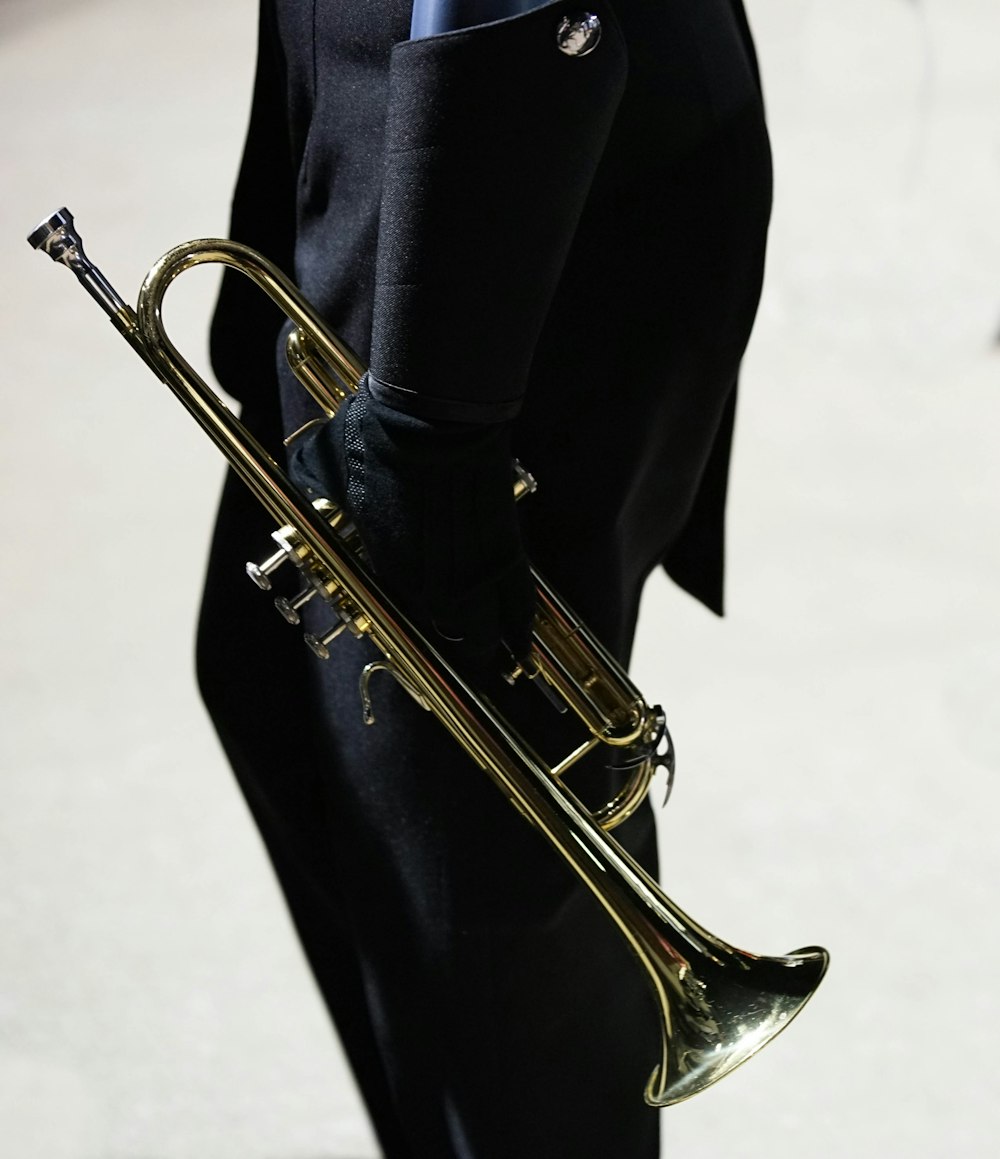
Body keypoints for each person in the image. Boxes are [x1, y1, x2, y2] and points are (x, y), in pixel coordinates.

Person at [197, 1, 771, 1155]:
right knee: (276, 689)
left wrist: (434, 413)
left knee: (475, 850)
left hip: (507, 177)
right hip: (434, 138)